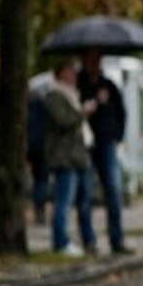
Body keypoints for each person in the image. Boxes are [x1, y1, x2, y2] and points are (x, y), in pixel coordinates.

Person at [43, 59, 95, 256]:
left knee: (84, 201)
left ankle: (88, 240)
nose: (73, 74)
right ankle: (61, 242)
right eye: (70, 70)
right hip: (64, 157)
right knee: (64, 202)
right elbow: (63, 121)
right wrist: (83, 112)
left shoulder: (73, 95)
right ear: (61, 72)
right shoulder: (54, 95)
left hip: (78, 156)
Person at [78, 52, 129, 254]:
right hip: (85, 145)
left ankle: (116, 240)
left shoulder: (108, 85)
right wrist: (91, 104)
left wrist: (118, 135)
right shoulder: (79, 84)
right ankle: (89, 241)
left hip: (107, 143)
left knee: (114, 192)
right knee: (85, 194)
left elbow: (121, 112)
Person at [27, 87, 49, 226]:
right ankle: (40, 210)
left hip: (34, 148)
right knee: (41, 180)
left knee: (38, 180)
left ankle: (39, 210)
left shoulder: (29, 108)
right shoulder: (41, 106)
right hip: (42, 148)